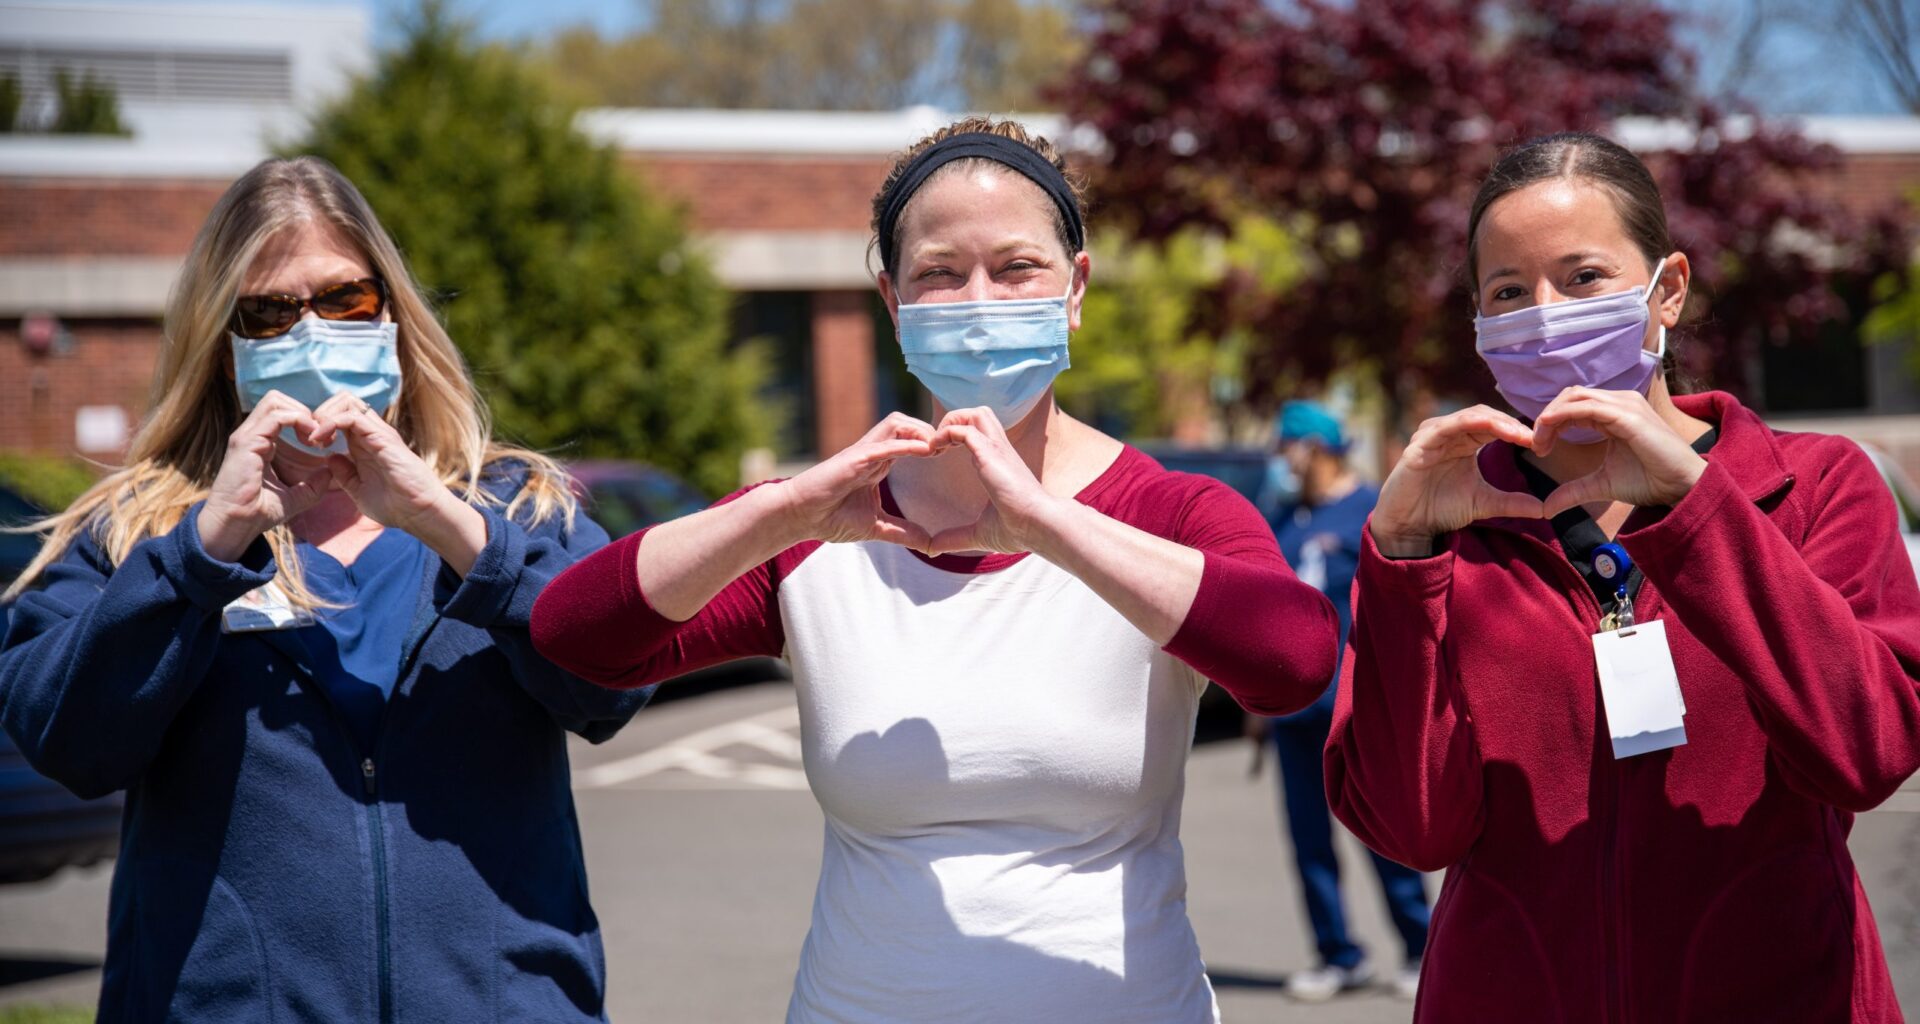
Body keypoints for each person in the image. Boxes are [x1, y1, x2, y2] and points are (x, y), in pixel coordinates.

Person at [530, 117, 1340, 1023]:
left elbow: (1294, 661)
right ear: (892, 299)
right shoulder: (826, 526)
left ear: (1075, 287)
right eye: (940, 274)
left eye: (1018, 267)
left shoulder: (1173, 514)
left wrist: (1047, 525)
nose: (979, 300)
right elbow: (578, 637)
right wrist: (774, 510)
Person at [0, 157, 650, 1022]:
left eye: (345, 300)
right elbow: (65, 742)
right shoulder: (136, 532)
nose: (310, 333)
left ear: (394, 313)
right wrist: (204, 549)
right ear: (220, 342)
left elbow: (617, 681)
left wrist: (442, 520)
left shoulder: (518, 507)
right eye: (269, 313)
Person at [1325, 131, 1920, 1022]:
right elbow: (1413, 831)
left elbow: (1866, 753)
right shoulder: (1452, 524)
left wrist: (1697, 511)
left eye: (1584, 277)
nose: (1546, 311)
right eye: (1509, 292)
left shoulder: (1816, 487)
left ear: (1666, 289)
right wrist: (1405, 555)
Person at [1255, 401, 1428, 1002]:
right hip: (1292, 713)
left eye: (1288, 447)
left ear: (1317, 449)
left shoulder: (1371, 510)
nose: (1281, 460)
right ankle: (1337, 954)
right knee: (1308, 841)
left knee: (1381, 832)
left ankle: (1419, 947)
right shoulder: (1284, 516)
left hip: (1357, 709)